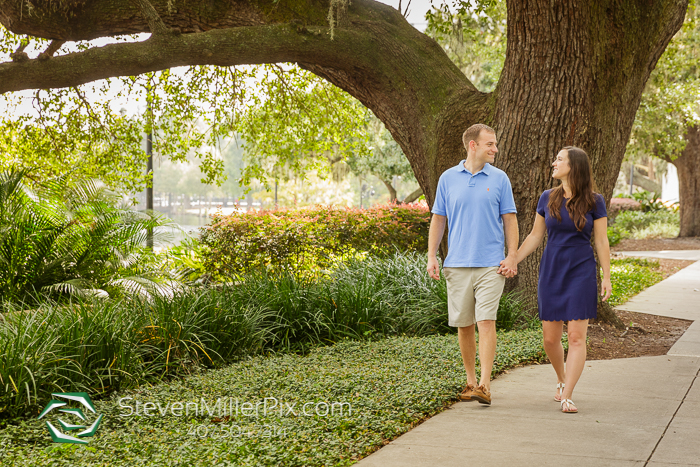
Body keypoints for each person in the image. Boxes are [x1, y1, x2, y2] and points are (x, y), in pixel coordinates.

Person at [508, 146, 611, 413]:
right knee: (551, 339)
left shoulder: (594, 200)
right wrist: (513, 260)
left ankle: (568, 394)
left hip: (581, 270)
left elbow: (601, 240)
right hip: (552, 270)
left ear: (574, 166)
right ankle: (561, 377)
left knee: (577, 337)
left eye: (560, 159)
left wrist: (607, 276)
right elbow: (534, 236)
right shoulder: (547, 197)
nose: (554, 163)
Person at [427, 123, 519, 406]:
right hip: (457, 263)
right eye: (490, 144)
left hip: (491, 264)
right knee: (464, 324)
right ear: (473, 145)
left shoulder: (500, 178)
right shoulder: (447, 178)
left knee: (486, 321)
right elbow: (438, 219)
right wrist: (432, 255)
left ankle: (485, 384)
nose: (495, 148)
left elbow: (510, 219)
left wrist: (512, 255)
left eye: (495, 143)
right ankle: (470, 381)